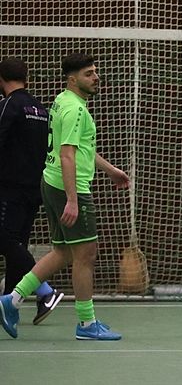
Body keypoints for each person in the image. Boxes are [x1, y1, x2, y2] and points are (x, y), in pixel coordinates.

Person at [0, 53, 130, 341]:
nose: (96, 78)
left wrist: (111, 170)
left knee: (63, 251)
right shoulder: (75, 110)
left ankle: (12, 299)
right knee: (86, 254)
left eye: (95, 72)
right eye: (88, 74)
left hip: (51, 183)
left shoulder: (61, 101)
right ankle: (86, 323)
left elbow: (80, 148)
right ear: (72, 79)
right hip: (69, 187)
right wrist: (72, 199)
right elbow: (67, 155)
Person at [0, 57, 64, 324]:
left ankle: (45, 290)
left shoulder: (9, 105)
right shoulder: (41, 109)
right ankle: (9, 307)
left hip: (10, 189)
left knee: (6, 241)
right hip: (35, 188)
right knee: (17, 246)